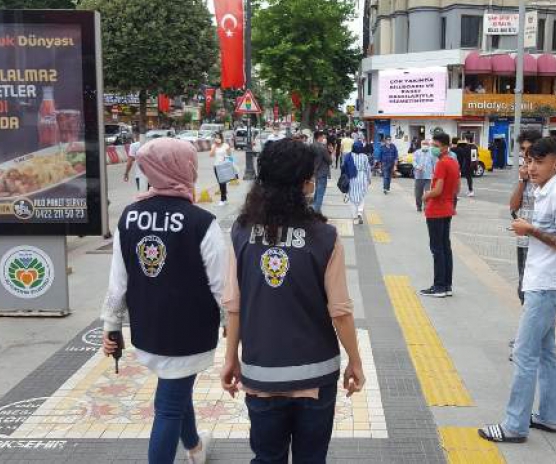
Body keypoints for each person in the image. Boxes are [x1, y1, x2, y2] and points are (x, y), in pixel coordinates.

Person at [221, 139, 365, 464]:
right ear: (303, 183)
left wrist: (231, 358)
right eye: (310, 177)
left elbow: (233, 304)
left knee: (267, 458)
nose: (313, 183)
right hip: (316, 374)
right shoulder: (325, 236)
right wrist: (355, 361)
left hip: (261, 372)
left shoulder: (242, 232)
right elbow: (340, 311)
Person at [101, 138, 225, 463]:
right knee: (169, 405)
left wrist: (112, 326)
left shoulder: (129, 217)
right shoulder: (202, 222)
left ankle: (195, 447)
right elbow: (222, 287)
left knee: (175, 389)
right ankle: (189, 449)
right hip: (190, 333)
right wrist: (235, 326)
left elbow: (119, 281)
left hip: (149, 329)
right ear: (185, 168)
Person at [480, 137, 556, 444]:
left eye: (539, 161)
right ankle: (549, 416)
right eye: (528, 161)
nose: (532, 167)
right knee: (547, 353)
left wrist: (531, 230)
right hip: (542, 281)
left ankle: (514, 426)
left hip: (547, 286)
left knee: (524, 355)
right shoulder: (541, 190)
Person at [420, 132, 460, 298]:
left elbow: (437, 190)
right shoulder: (453, 162)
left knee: (437, 249)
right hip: (448, 208)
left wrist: (425, 195)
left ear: (445, 146)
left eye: (435, 146)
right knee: (445, 248)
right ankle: (447, 285)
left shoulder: (442, 164)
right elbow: (457, 188)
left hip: (436, 210)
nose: (432, 149)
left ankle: (439, 287)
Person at [509, 130, 542, 307]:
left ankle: (530, 335)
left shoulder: (543, 174)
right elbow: (513, 206)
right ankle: (527, 334)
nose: (525, 153)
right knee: (523, 288)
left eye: (529, 149)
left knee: (534, 291)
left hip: (541, 239)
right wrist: (522, 181)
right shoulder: (524, 172)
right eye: (523, 149)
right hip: (523, 240)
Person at [345, 142, 371, 224]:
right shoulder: (365, 157)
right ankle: (360, 212)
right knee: (362, 196)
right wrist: (369, 179)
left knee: (352, 198)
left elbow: (344, 167)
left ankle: (355, 217)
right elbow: (368, 169)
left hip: (352, 178)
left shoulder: (349, 156)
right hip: (362, 178)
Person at [413, 139, 436, 212]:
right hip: (419, 176)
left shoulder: (432, 153)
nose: (425, 145)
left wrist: (435, 174)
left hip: (428, 177)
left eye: (426, 144)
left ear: (429, 145)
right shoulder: (417, 152)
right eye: (423, 143)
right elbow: (414, 161)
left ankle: (426, 207)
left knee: (427, 192)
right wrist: (417, 167)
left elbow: (435, 164)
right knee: (418, 193)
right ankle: (418, 206)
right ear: (421, 144)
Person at [210, 132, 232, 206]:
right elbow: (211, 155)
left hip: (224, 166)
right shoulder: (213, 145)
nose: (217, 139)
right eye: (216, 137)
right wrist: (215, 146)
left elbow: (229, 155)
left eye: (218, 137)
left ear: (221, 138)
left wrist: (228, 150)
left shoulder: (225, 145)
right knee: (220, 183)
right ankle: (224, 199)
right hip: (216, 166)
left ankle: (222, 199)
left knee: (223, 182)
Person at [312, 131, 332, 213]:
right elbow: (329, 160)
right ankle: (316, 211)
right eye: (322, 137)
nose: (323, 138)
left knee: (317, 191)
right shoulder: (323, 148)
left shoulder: (311, 146)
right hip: (322, 172)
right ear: (319, 137)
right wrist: (330, 152)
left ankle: (315, 208)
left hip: (315, 171)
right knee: (320, 192)